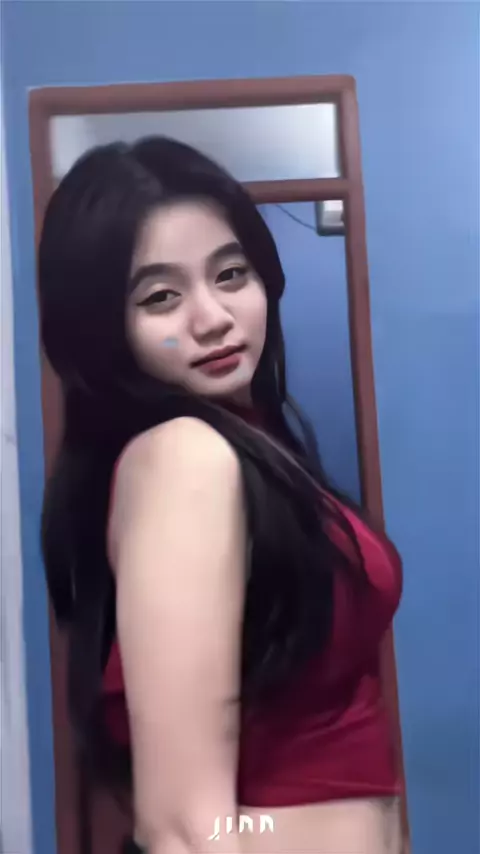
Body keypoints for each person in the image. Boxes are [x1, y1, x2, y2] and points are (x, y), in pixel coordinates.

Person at [39, 137, 403, 854]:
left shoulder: (255, 450)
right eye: (161, 297)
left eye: (231, 274)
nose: (211, 318)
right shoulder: (185, 458)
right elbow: (183, 826)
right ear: (103, 330)